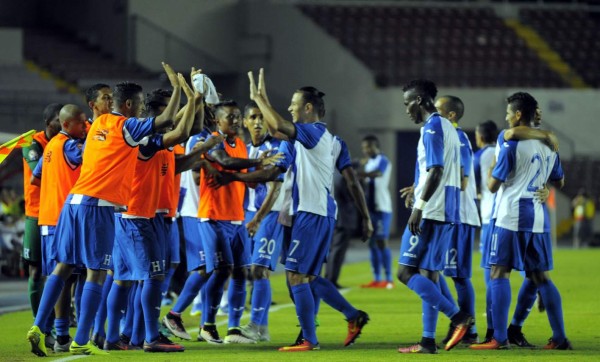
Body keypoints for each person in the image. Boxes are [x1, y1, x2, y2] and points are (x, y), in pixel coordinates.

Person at [26, 62, 182, 357]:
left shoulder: (97, 125)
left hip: (73, 203)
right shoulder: (124, 126)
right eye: (106, 97)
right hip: (99, 207)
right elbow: (168, 119)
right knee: (96, 274)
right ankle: (81, 340)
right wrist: (178, 88)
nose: (110, 101)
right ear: (129, 105)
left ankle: (38, 327)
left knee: (63, 267)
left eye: (111, 97)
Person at [247, 68, 371, 352]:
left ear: (308, 108)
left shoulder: (315, 133)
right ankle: (353, 316)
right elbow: (276, 168)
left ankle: (308, 339)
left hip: (311, 213)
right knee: (308, 277)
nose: (290, 107)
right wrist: (239, 175)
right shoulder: (301, 142)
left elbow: (278, 125)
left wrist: (259, 98)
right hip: (303, 214)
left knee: (296, 277)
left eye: (294, 103)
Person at [470, 92, 571, 350]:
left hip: (511, 214)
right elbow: (559, 181)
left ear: (517, 114)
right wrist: (543, 185)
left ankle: (500, 338)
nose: (505, 118)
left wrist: (493, 168)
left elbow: (493, 186)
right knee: (541, 277)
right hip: (538, 217)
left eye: (507, 113)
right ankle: (559, 338)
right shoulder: (550, 145)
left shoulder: (510, 142)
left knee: (498, 272)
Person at [105, 73, 195, 353]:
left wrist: (195, 101)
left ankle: (114, 337)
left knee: (123, 278)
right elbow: (177, 128)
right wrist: (188, 95)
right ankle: (151, 337)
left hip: (133, 214)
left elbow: (182, 129)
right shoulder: (140, 136)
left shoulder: (126, 132)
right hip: (137, 216)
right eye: (141, 102)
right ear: (132, 104)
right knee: (153, 277)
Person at [396, 80, 472, 354]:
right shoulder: (449, 128)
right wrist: (416, 189)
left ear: (418, 100)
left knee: (405, 272)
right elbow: (437, 171)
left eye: (407, 103)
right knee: (429, 274)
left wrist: (419, 205)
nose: (406, 110)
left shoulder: (431, 128)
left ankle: (457, 317)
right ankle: (428, 341)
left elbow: (437, 169)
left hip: (431, 211)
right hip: (446, 208)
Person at [197, 100, 281, 344]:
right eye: (230, 117)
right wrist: (258, 163)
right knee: (221, 270)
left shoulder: (242, 145)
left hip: (236, 216)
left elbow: (245, 179)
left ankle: (233, 329)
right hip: (213, 215)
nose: (234, 121)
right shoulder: (214, 140)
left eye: (236, 117)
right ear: (218, 121)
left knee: (241, 272)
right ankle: (208, 323)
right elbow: (225, 162)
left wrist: (258, 174)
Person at [32, 105, 87, 352]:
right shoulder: (68, 146)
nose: (86, 127)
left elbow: (36, 178)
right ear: (67, 124)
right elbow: (88, 157)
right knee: (66, 276)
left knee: (65, 277)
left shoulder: (50, 147)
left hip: (49, 217)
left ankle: (61, 335)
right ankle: (54, 331)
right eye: (82, 123)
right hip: (62, 219)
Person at [434, 95, 481, 344]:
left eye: (438, 110)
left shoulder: (459, 138)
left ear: (451, 115)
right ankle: (460, 321)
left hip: (458, 214)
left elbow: (461, 181)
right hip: (448, 213)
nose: (433, 114)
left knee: (458, 275)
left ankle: (467, 329)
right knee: (432, 269)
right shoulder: (448, 136)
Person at [21, 102, 62, 347]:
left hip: (59, 213)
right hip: (36, 215)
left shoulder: (66, 142)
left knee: (62, 270)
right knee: (36, 271)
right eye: (59, 119)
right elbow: (38, 170)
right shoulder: (32, 144)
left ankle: (58, 322)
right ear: (49, 124)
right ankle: (40, 323)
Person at [358, 135, 393, 289]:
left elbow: (379, 173)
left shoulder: (382, 160)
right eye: (364, 147)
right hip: (370, 207)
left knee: (382, 241)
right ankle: (377, 278)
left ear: (376, 146)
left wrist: (360, 174)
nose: (366, 150)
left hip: (382, 207)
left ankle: (389, 279)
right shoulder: (368, 163)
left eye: (369, 147)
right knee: (372, 243)